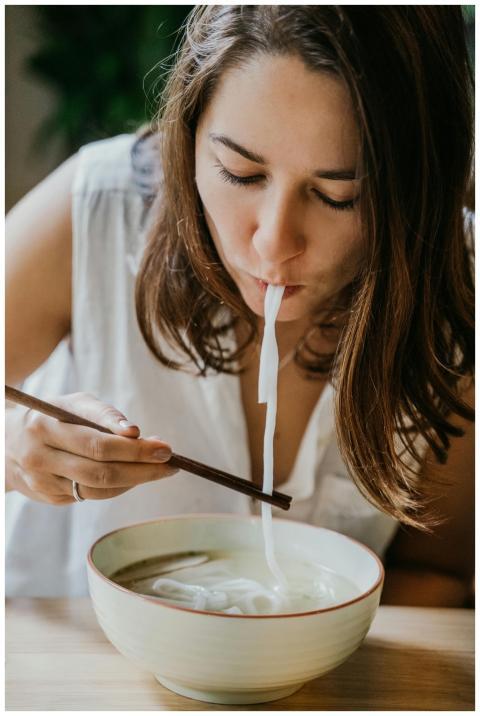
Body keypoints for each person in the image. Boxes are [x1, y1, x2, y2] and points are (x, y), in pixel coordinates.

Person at [6, 5, 474, 605]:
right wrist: (15, 447)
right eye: (240, 172)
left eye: (338, 195)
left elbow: (435, 569)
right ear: (189, 137)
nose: (274, 242)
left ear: (419, 188)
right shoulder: (99, 210)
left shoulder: (460, 286)